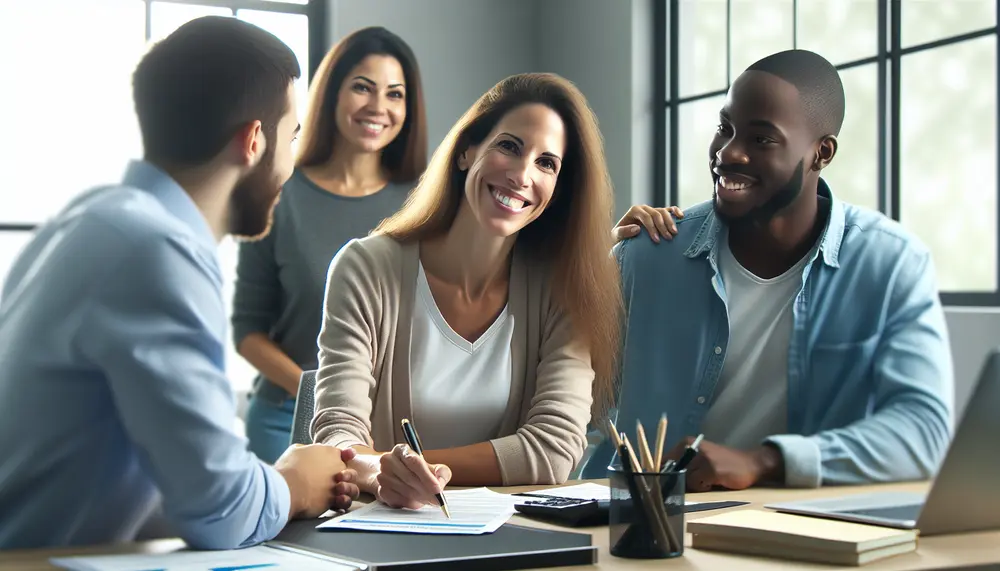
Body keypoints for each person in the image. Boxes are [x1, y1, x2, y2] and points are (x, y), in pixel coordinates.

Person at [0, 17, 359, 550]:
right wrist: (295, 484)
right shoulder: (155, 250)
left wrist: (264, 481)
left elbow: (179, 484)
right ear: (254, 141)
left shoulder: (91, 218)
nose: (293, 163)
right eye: (294, 135)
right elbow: (217, 507)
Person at [582, 49, 954, 490]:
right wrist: (591, 263)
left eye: (761, 139)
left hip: (795, 533)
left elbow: (924, 430)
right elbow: (563, 401)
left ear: (821, 153)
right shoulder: (648, 253)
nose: (729, 153)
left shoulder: (891, 265)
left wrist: (766, 462)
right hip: (638, 525)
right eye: (725, 129)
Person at [309, 72, 630, 510]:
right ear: (466, 151)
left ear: (558, 191)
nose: (521, 174)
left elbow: (553, 452)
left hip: (507, 537)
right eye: (509, 146)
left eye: (546, 163)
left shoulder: (562, 289)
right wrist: (383, 475)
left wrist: (414, 469)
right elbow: (337, 433)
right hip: (379, 526)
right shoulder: (366, 267)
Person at [233, 26, 427, 464]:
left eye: (395, 94)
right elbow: (248, 330)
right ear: (332, 93)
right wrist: (321, 391)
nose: (378, 106)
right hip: (287, 419)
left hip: (395, 427)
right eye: (363, 87)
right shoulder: (280, 193)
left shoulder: (428, 200)